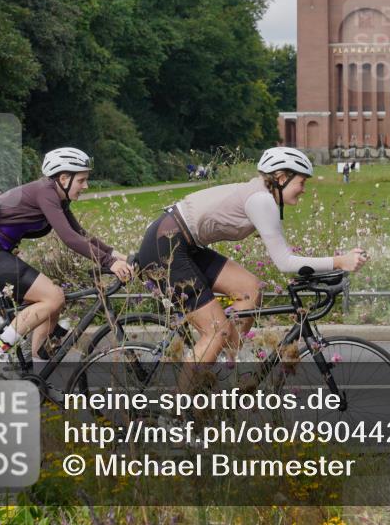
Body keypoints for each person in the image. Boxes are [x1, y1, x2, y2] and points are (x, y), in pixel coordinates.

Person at [138, 147, 368, 364]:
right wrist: (340, 261)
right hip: (166, 245)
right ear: (281, 178)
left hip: (185, 244)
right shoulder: (261, 200)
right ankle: (183, 403)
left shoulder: (263, 195)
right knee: (217, 332)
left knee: (250, 289)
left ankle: (226, 367)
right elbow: (285, 262)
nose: (304, 188)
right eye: (302, 181)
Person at [0, 148, 133, 367]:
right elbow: (68, 238)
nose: (86, 186)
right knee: (52, 298)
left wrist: (116, 255)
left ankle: (37, 370)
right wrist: (109, 263)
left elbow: (79, 233)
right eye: (81, 180)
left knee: (54, 298)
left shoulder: (57, 196)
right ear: (64, 178)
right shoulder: (46, 192)